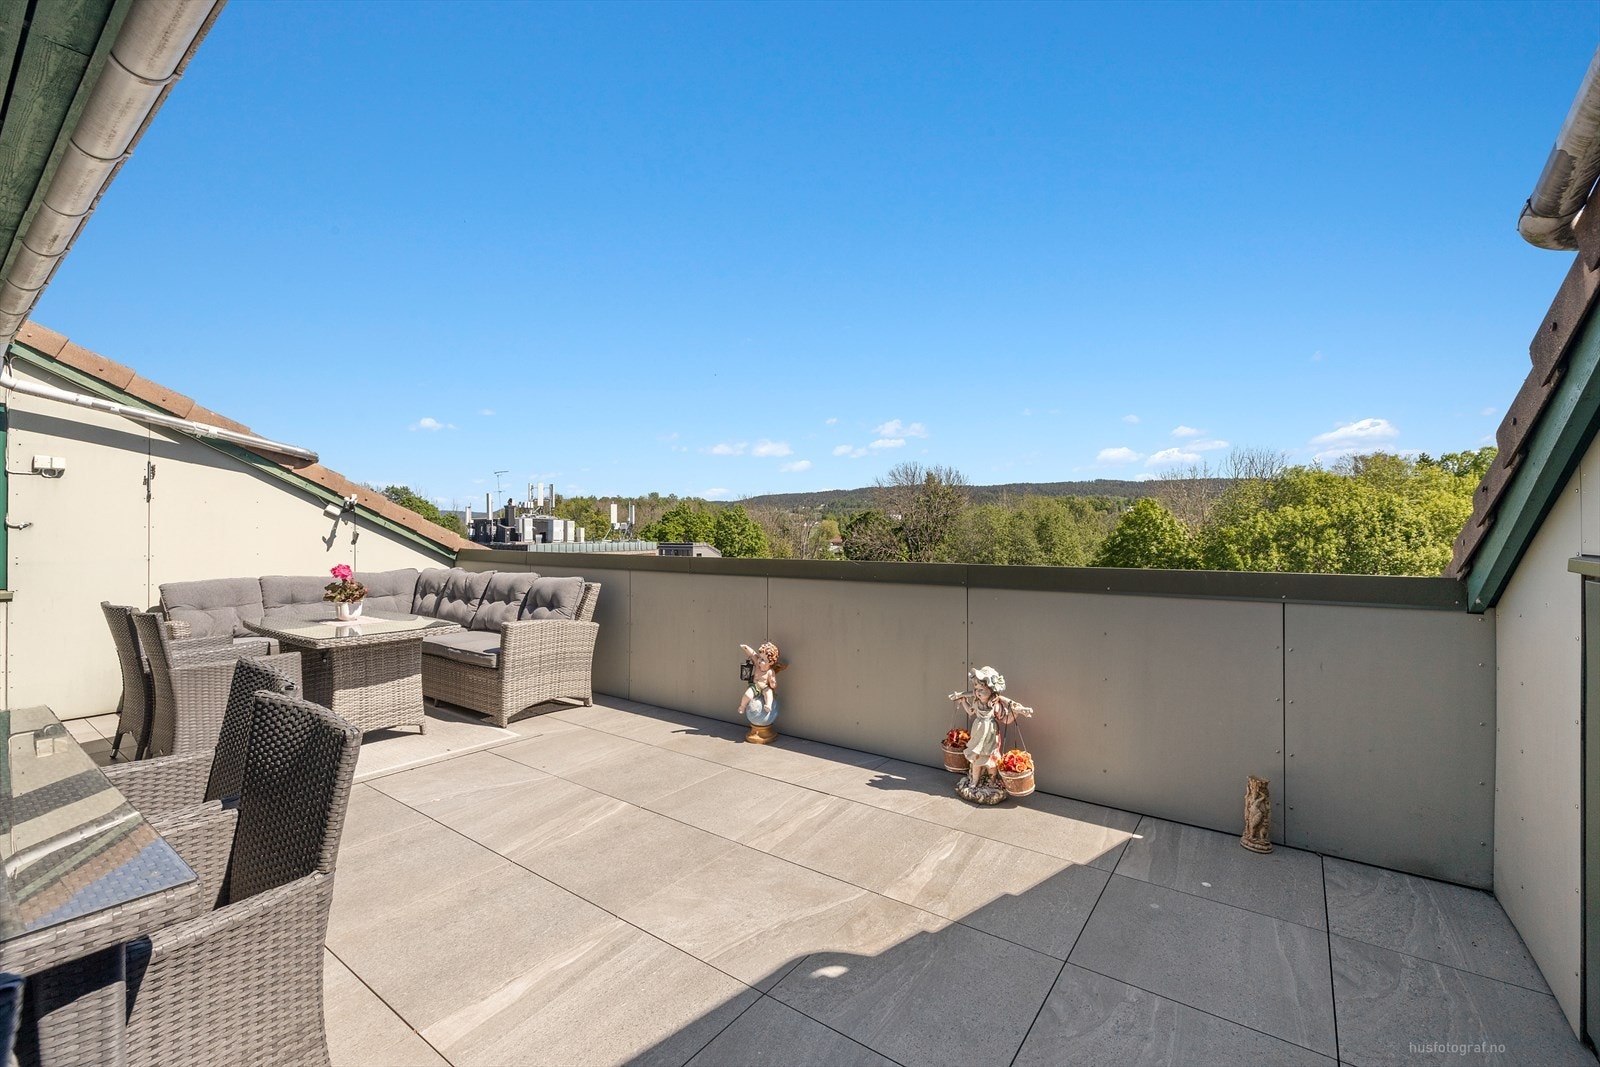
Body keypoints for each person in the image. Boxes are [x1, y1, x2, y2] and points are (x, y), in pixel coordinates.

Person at [948, 666, 1032, 789]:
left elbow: (1006, 719)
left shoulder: (995, 706)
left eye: (982, 689)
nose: (977, 692)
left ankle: (991, 782)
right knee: (976, 761)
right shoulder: (977, 702)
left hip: (991, 736)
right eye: (976, 689)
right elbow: (971, 712)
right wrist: (964, 701)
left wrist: (1017, 712)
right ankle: (974, 781)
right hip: (978, 735)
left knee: (991, 762)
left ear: (992, 690)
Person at [738, 641, 782, 726]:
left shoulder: (770, 671)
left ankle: (768, 705)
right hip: (755, 686)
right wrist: (746, 648)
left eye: (763, 659)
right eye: (760, 657)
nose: (759, 660)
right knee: (747, 695)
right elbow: (753, 654)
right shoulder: (757, 665)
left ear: (771, 662)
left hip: (765, 687)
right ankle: (742, 706)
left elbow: (773, 684)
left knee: (769, 693)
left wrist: (773, 683)